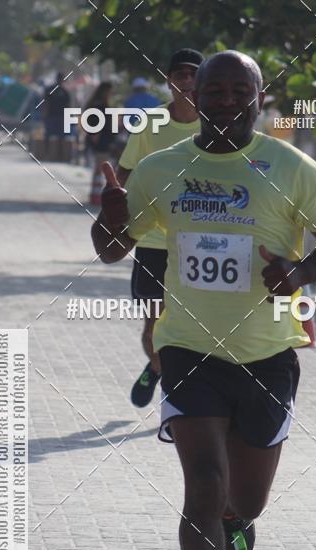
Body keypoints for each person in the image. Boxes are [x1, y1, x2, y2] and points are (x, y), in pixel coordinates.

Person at [91, 51, 316, 550]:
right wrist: (109, 221)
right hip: (188, 347)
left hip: (267, 353)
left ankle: (238, 517)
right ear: (195, 94)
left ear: (260, 96)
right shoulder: (161, 168)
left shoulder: (292, 168)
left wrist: (299, 274)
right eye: (217, 89)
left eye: (242, 90)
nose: (229, 100)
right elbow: (112, 250)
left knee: (245, 499)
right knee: (203, 484)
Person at [116, 48, 203, 407]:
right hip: (153, 242)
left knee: (197, 326)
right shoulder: (149, 123)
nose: (186, 80)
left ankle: (180, 384)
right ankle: (157, 369)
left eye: (192, 74)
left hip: (200, 244)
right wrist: (114, 211)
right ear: (169, 81)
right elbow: (124, 175)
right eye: (179, 74)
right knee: (153, 325)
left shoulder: (216, 124)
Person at [43, 72, 70, 139]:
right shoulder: (52, 90)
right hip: (53, 116)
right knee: (50, 136)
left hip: (59, 117)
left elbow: (67, 106)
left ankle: (56, 149)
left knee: (60, 137)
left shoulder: (64, 91)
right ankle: (49, 148)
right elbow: (46, 103)